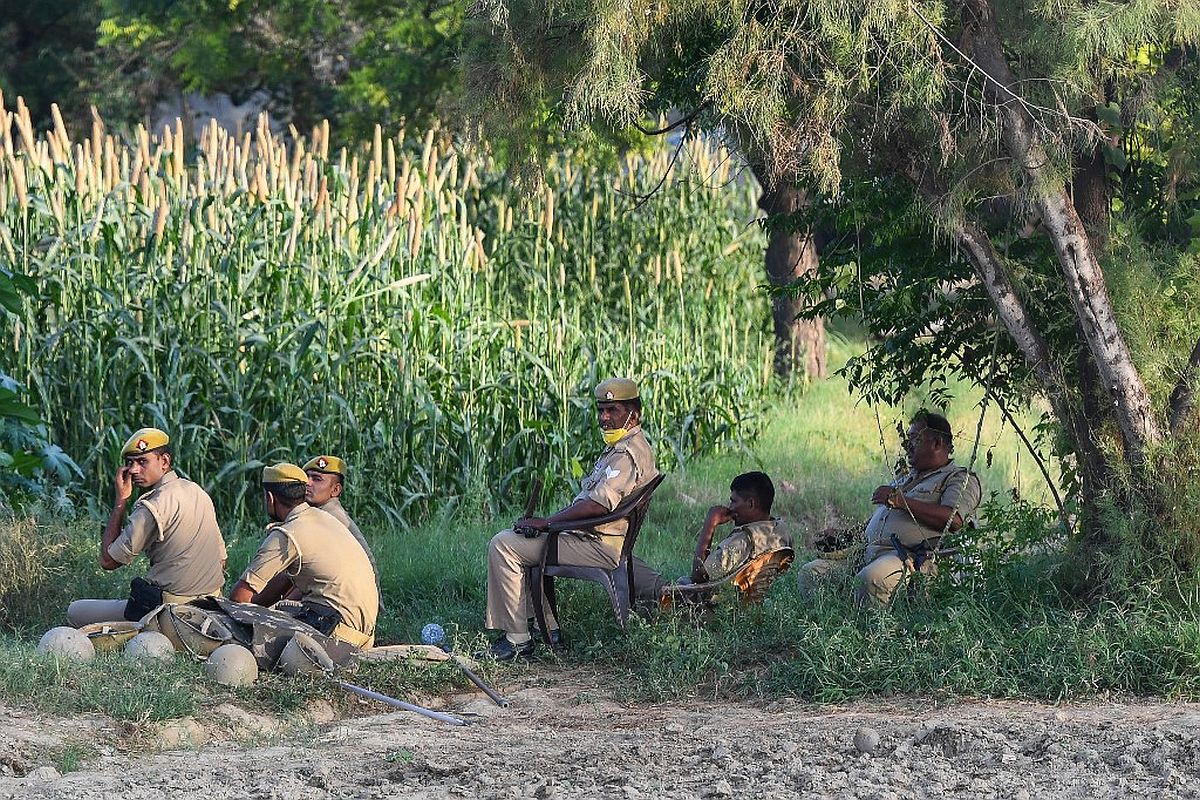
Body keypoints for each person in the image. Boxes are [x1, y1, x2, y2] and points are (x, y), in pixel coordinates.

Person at [482, 378, 659, 661]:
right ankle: (547, 629)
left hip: (598, 545)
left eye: (612, 410)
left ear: (633, 414)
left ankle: (517, 642)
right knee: (519, 539)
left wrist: (548, 523)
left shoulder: (626, 455)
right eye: (601, 410)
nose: (604, 418)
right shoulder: (624, 447)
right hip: (590, 537)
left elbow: (597, 506)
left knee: (504, 545)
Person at [799, 410, 982, 605]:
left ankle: (873, 633)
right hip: (867, 554)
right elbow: (882, 521)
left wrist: (900, 500)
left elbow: (953, 520)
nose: (907, 445)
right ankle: (829, 627)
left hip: (908, 558)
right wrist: (845, 535)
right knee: (812, 572)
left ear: (936, 443)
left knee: (870, 579)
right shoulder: (906, 479)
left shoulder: (959, 479)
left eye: (914, 439)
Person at [67, 427, 227, 626]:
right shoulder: (197, 491)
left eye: (143, 462)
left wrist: (121, 500)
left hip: (171, 612)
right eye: (130, 463)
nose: (134, 470)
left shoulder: (153, 505)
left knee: (75, 611)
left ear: (165, 461)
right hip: (211, 607)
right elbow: (222, 560)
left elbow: (108, 561)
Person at [230, 463, 379, 649]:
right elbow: (283, 581)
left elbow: (239, 598)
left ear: (270, 498)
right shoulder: (324, 518)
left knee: (232, 626)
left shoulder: (287, 534)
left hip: (335, 636)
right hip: (363, 635)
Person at [631, 471, 791, 603]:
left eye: (734, 501)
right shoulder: (780, 531)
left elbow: (698, 578)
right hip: (746, 603)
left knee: (626, 565)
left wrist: (710, 524)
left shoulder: (741, 542)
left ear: (751, 503)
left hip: (701, 606)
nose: (730, 507)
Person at [302, 454, 383, 612]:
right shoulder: (325, 511)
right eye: (307, 477)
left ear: (335, 490)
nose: (308, 483)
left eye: (317, 479)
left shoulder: (327, 517)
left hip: (349, 604)